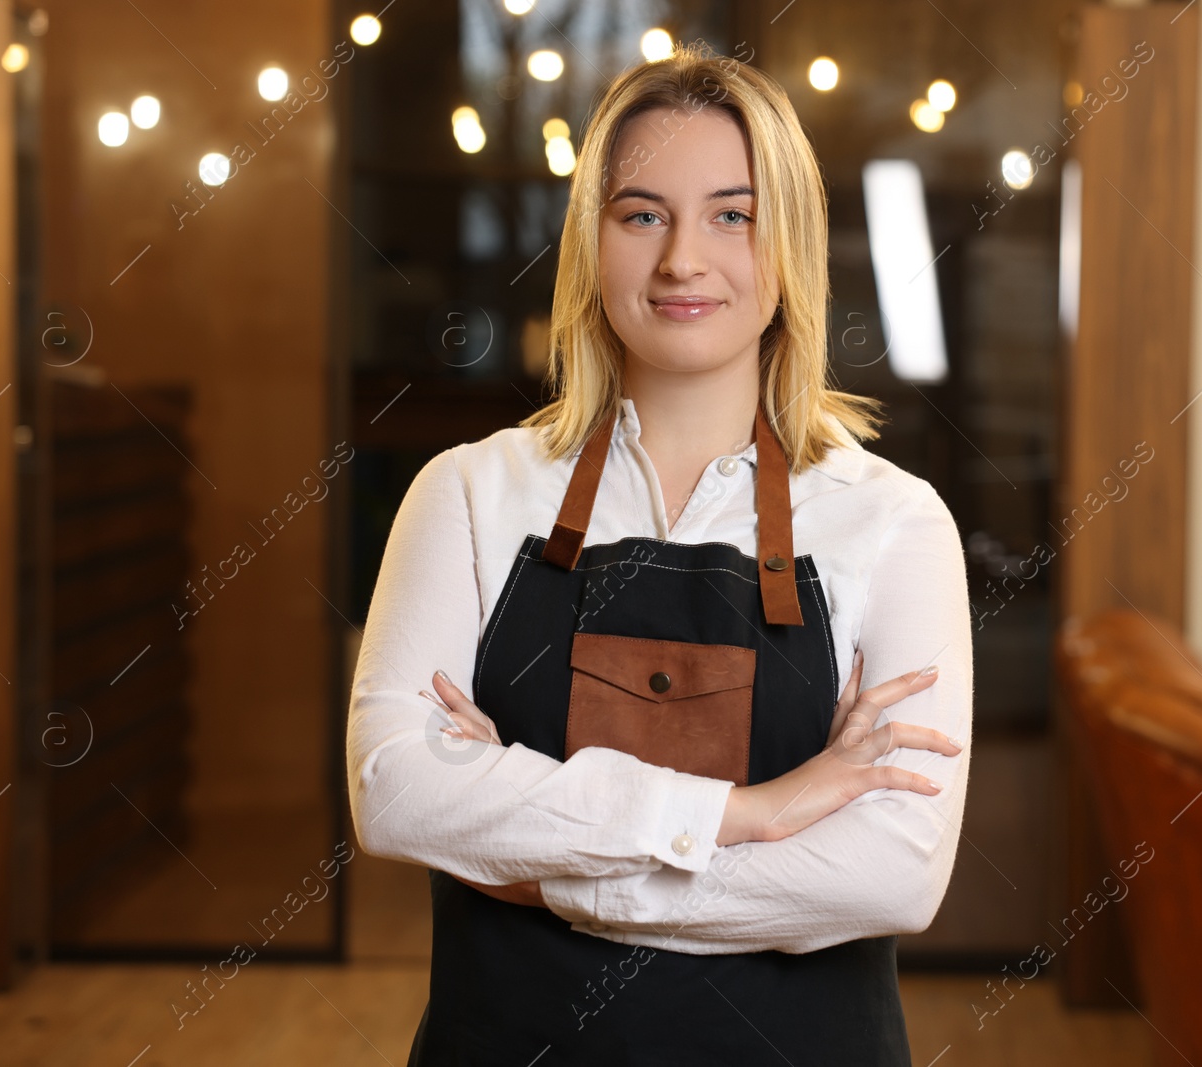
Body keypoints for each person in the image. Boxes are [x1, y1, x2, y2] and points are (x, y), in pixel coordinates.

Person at [347, 41, 973, 1066]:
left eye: (733, 214)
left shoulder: (893, 520)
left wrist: (530, 859)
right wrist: (753, 814)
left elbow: (888, 874)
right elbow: (395, 794)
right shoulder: (466, 492)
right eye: (642, 213)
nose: (685, 258)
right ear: (593, 242)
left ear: (790, 246)